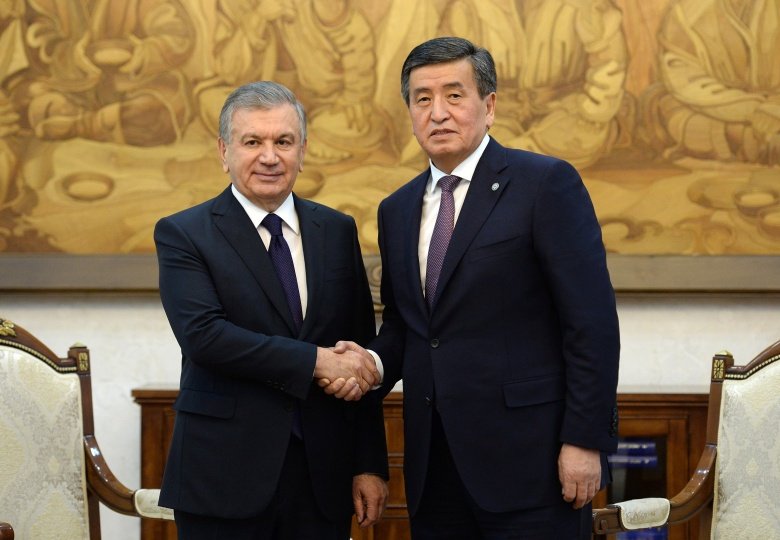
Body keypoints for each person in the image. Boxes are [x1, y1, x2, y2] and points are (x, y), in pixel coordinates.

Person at [328, 36, 620, 539]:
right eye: (422, 98)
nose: (438, 112)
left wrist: (584, 440)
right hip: (434, 466)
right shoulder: (396, 210)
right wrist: (370, 363)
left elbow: (590, 323)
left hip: (533, 464)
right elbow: (408, 326)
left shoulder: (544, 184)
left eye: (454, 95)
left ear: (489, 106)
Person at [154, 80, 388, 540]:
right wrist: (316, 360)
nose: (269, 156)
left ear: (303, 150)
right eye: (252, 142)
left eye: (283, 141)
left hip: (321, 479)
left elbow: (358, 348)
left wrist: (369, 464)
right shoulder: (184, 233)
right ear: (224, 152)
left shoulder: (337, 230)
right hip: (223, 476)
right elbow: (205, 337)